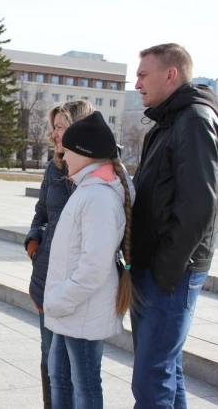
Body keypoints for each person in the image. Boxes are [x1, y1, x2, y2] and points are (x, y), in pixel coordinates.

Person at [130, 43, 218, 408]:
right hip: (154, 268)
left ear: (170, 75)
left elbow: (200, 205)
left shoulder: (195, 120)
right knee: (164, 371)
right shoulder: (169, 119)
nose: (137, 83)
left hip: (170, 272)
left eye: (143, 74)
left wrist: (165, 270)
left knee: (151, 380)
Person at [43, 111, 135, 409]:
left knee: (84, 386)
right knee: (60, 377)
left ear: (84, 152)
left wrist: (60, 300)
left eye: (68, 149)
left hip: (79, 310)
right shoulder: (89, 188)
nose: (63, 154)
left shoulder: (99, 196)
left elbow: (93, 266)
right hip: (71, 311)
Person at [24, 100, 95, 408]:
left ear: (78, 130)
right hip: (46, 274)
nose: (53, 134)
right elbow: (41, 212)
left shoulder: (96, 173)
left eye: (60, 127)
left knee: (78, 368)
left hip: (78, 281)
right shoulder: (53, 167)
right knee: (49, 355)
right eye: (53, 127)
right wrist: (33, 242)